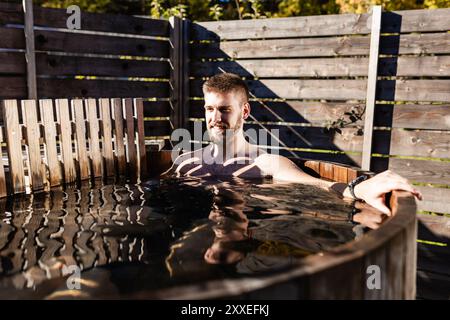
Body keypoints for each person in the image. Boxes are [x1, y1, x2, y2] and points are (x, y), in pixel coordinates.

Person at [164, 73, 422, 216]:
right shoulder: (186, 162)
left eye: (224, 109)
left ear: (244, 112)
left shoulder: (266, 163)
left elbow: (320, 185)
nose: (215, 118)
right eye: (209, 108)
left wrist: (358, 189)